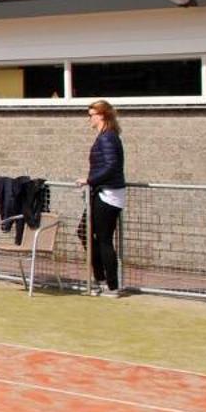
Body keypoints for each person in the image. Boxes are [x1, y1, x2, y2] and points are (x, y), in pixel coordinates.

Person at [80, 99, 126, 296]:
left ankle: (111, 285)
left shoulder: (108, 137)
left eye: (91, 115)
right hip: (101, 192)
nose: (89, 119)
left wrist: (89, 180)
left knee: (104, 239)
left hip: (107, 194)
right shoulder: (105, 136)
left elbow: (111, 166)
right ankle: (100, 279)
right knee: (84, 232)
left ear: (101, 116)